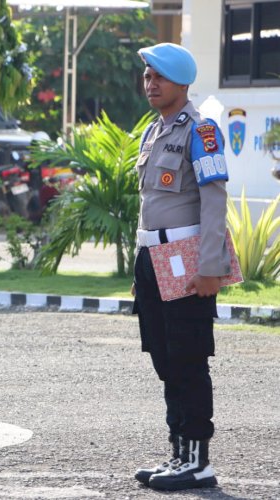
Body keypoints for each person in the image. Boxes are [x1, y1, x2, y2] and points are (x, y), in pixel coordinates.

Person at [131, 43, 231, 491]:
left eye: (159, 78)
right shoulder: (154, 131)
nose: (151, 84)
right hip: (152, 258)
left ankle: (197, 461)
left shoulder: (201, 130)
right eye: (148, 77)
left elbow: (213, 201)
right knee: (163, 354)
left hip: (188, 261)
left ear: (182, 83)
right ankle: (178, 452)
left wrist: (212, 266)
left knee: (188, 358)